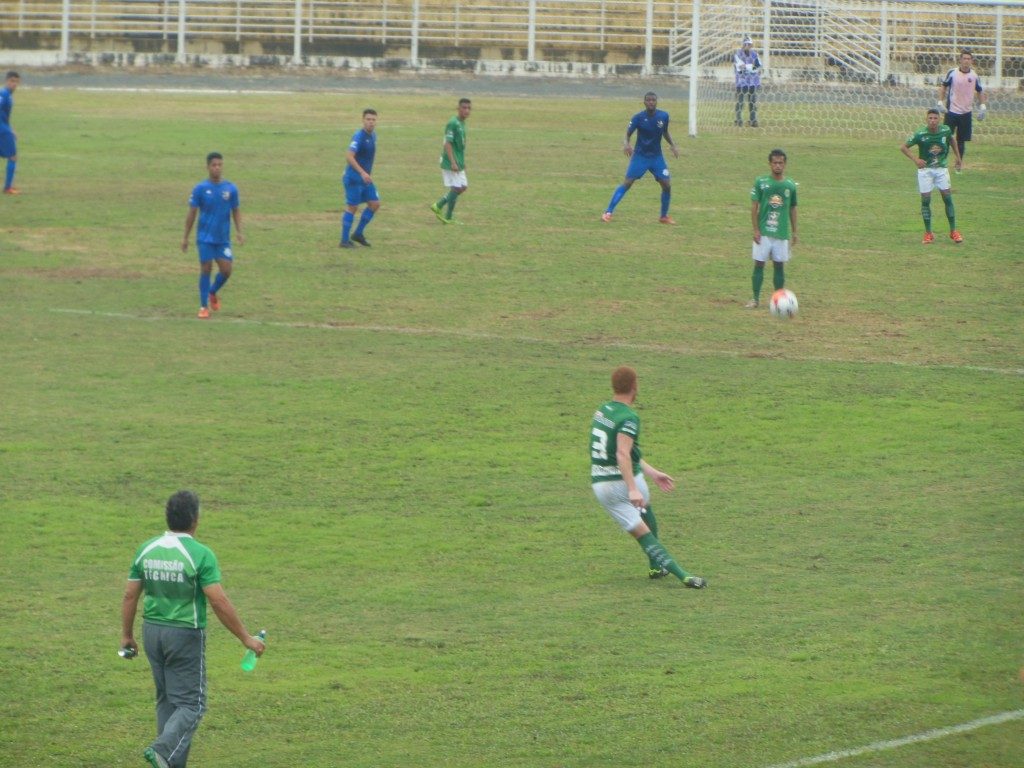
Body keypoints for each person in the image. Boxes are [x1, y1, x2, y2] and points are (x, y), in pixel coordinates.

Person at [121, 490, 265, 768]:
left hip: (152, 631)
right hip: (184, 634)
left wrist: (127, 634)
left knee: (167, 701)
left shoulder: (146, 549)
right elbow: (218, 600)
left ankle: (168, 762)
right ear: (195, 520)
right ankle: (163, 750)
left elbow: (130, 595)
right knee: (192, 704)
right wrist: (245, 638)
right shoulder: (200, 555)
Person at [589, 366, 706, 588]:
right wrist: (632, 488)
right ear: (635, 387)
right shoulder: (629, 417)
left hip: (600, 485)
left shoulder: (602, 411)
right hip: (622, 482)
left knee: (641, 526)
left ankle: (656, 567)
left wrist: (652, 473)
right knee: (645, 522)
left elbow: (626, 453)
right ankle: (683, 576)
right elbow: (622, 453)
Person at [601, 92, 679, 225]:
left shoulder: (663, 116)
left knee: (666, 185)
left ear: (656, 102)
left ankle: (664, 216)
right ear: (644, 102)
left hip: (656, 157)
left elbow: (665, 132)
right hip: (640, 157)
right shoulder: (638, 118)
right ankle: (608, 212)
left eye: (653, 100)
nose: (651, 102)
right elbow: (627, 134)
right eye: (648, 100)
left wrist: (673, 145)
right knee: (627, 183)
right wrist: (626, 144)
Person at [181, 152, 243, 319]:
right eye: (214, 165)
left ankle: (212, 291)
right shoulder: (200, 189)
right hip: (205, 238)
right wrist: (185, 237)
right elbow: (192, 213)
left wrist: (239, 231)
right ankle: (203, 307)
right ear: (208, 167)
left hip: (223, 239)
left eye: (219, 165)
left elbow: (236, 210)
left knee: (227, 270)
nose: (217, 168)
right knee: (206, 269)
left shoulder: (230, 188)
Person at [900, 108, 963, 244]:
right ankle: (928, 233)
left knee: (947, 199)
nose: (933, 121)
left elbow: (952, 141)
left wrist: (958, 157)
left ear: (939, 119)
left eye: (935, 118)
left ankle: (953, 231)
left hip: (941, 170)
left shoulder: (945, 130)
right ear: (926, 120)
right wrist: (916, 160)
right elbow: (903, 147)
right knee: (925, 201)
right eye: (930, 118)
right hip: (925, 171)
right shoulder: (920, 134)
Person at [746, 149, 798, 309]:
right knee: (759, 264)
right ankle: (755, 299)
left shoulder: (790, 185)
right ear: (770, 164)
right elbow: (754, 207)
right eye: (774, 163)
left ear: (785, 164)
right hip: (764, 232)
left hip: (781, 233)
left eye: (780, 163)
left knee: (779, 265)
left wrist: (795, 232)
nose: (777, 166)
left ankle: (779, 301)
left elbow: (793, 209)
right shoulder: (761, 182)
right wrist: (756, 229)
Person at [938, 50, 987, 164]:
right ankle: (941, 162)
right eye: (964, 58)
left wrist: (983, 106)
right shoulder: (952, 73)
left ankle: (958, 164)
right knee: (946, 138)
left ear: (971, 61)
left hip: (966, 113)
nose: (966, 61)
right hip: (951, 111)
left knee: (961, 141)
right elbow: (944, 86)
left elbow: (980, 91)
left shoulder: (974, 75)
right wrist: (940, 102)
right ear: (960, 60)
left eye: (968, 59)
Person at [340, 108, 380, 248]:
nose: (371, 122)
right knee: (352, 207)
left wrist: (366, 174)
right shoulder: (359, 136)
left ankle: (358, 233)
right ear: (363, 120)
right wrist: (362, 172)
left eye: (373, 120)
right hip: (354, 178)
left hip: (365, 179)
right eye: (368, 119)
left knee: (375, 203)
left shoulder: (373, 136)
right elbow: (349, 156)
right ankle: (344, 241)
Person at [430, 98, 472, 224]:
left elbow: (459, 146)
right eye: (464, 108)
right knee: (457, 187)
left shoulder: (462, 123)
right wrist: (453, 162)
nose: (467, 110)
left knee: (462, 187)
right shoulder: (453, 123)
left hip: (458, 160)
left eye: (469, 108)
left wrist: (461, 161)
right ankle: (444, 212)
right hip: (450, 161)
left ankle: (441, 208)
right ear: (458, 109)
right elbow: (447, 144)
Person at [734, 36, 762, 127]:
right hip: (741, 82)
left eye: (749, 44)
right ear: (743, 44)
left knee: (753, 102)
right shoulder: (737, 55)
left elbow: (758, 67)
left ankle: (753, 121)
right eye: (746, 44)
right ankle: (739, 121)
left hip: (753, 82)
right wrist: (751, 67)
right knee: (740, 103)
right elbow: (740, 67)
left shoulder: (755, 54)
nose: (748, 46)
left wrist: (749, 67)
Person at [1, 70, 20, 195]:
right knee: (13, 157)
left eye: (17, 82)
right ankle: (8, 188)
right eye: (12, 81)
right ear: (7, 81)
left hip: (5, 129)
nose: (15, 84)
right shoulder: (3, 95)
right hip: (2, 131)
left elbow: (5, 116)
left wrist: (11, 129)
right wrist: (7, 130)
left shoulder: (8, 95)